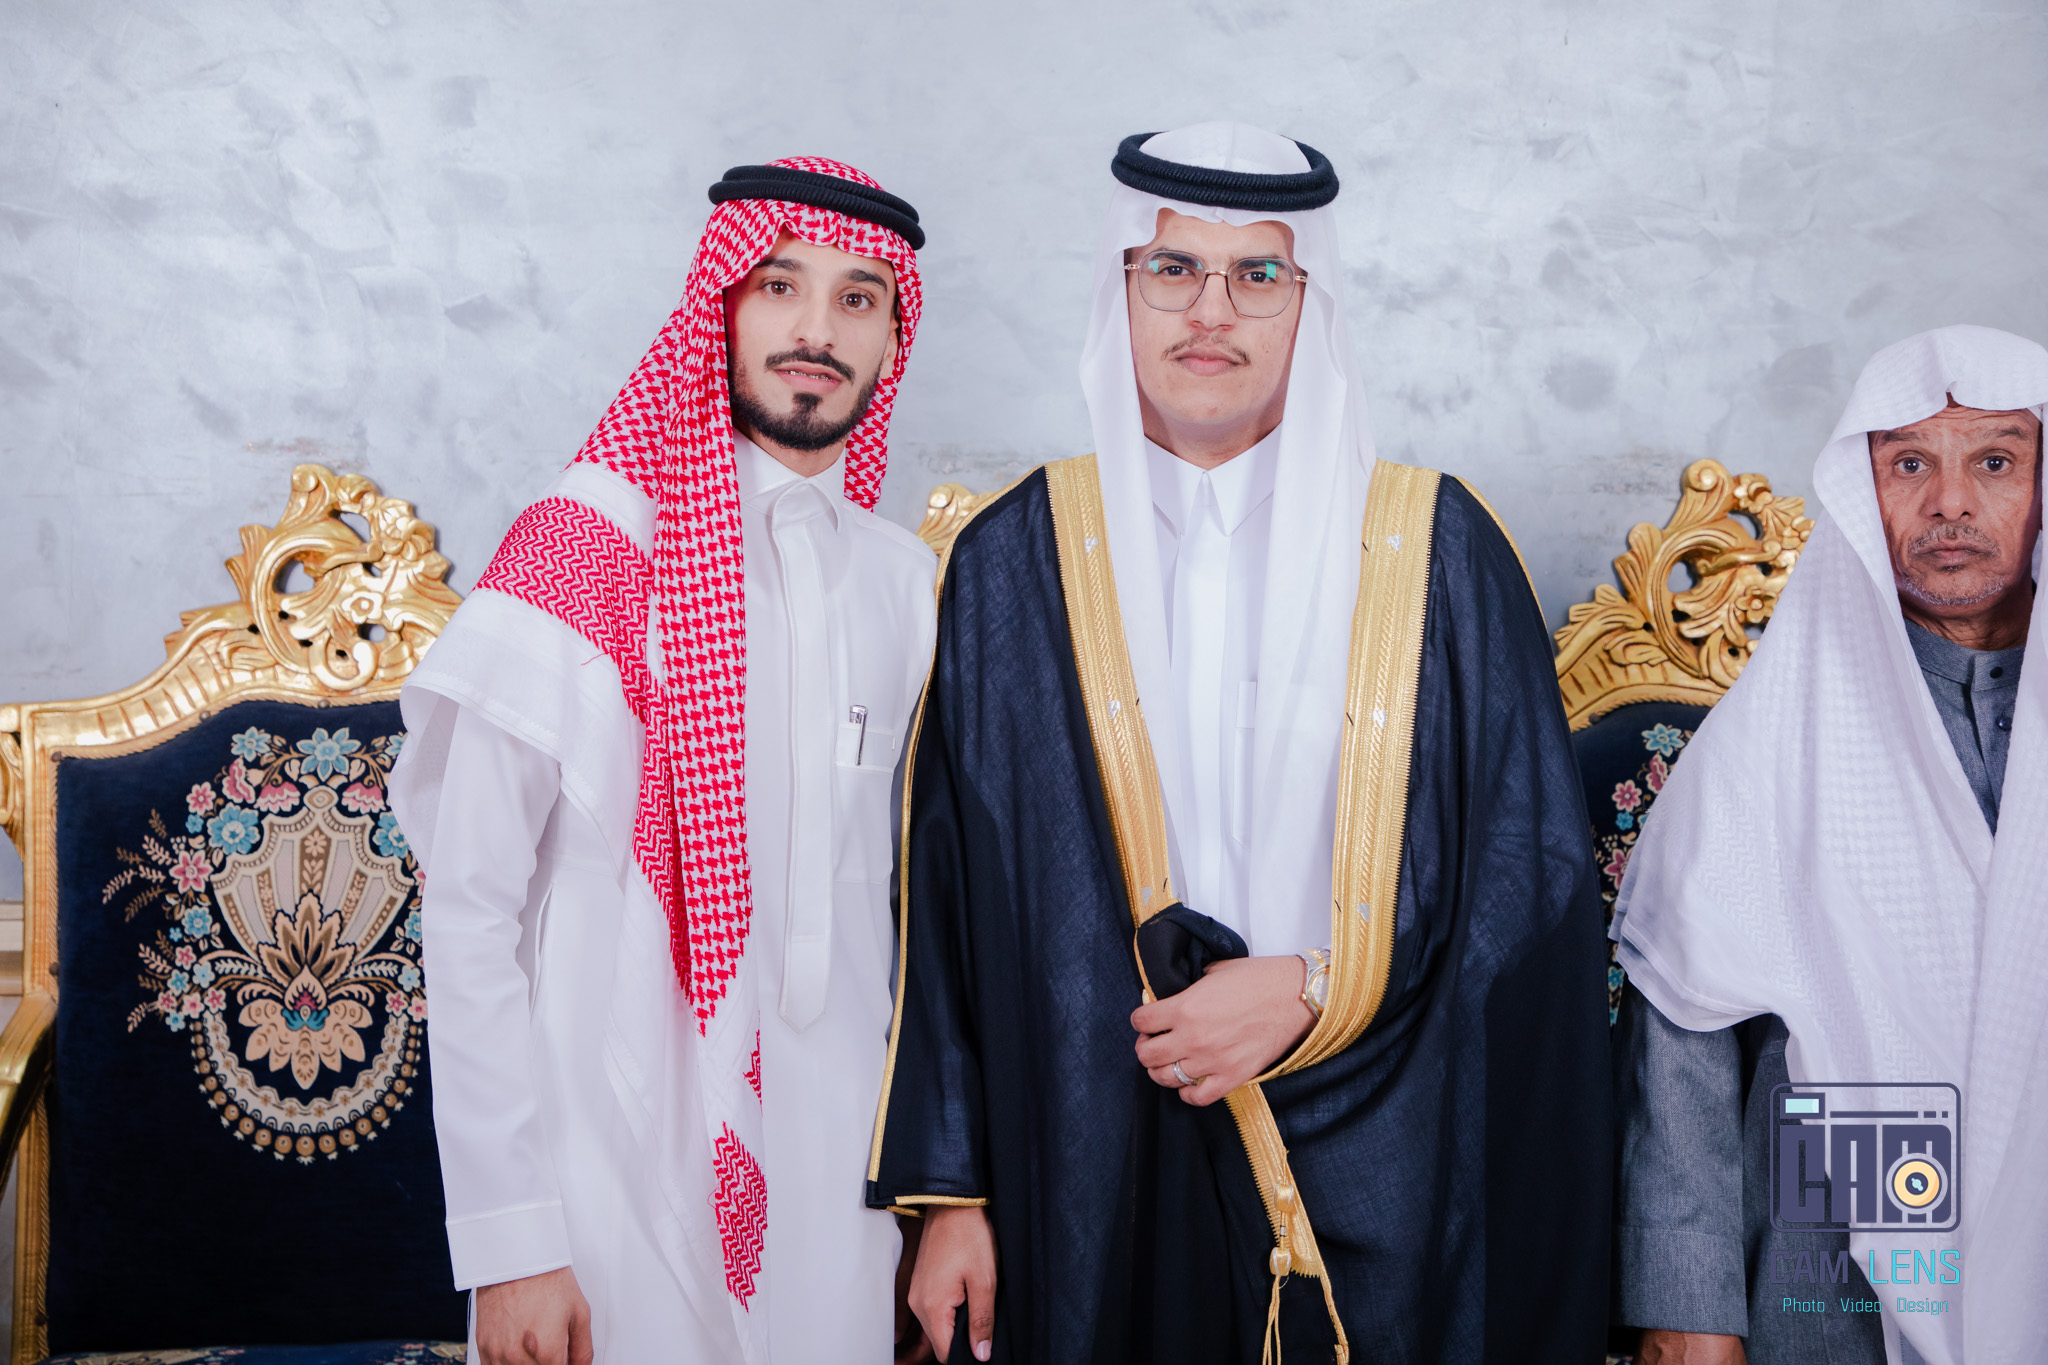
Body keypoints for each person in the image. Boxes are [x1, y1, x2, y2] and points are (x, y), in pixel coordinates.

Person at [866, 122, 1611, 1365]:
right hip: (1086, 1157)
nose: (1210, 311)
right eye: (1171, 269)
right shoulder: (1014, 558)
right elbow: (942, 904)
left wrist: (1318, 986)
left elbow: (1525, 884)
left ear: (1308, 303)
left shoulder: (1435, 548)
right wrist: (952, 1198)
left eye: (1257, 274)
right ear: (1120, 291)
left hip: (1380, 1140)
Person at [388, 158, 938, 1364]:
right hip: (603, 1173)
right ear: (717, 306)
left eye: (857, 298)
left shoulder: (904, 585)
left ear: (892, 340)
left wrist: (934, 1201)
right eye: (778, 284)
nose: (815, 329)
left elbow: (915, 919)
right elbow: (470, 909)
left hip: (838, 1183)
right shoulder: (580, 557)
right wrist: (511, 1243)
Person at [1610, 325, 2048, 1365]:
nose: (1949, 502)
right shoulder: (1773, 732)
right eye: (1909, 464)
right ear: (1865, 490)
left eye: (1994, 461)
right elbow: (1682, 1036)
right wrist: (1690, 1316)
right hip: (1833, 1257)